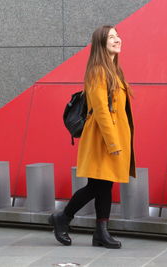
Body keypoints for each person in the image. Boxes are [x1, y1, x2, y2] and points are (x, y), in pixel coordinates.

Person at [49, 25, 135, 249]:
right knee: (97, 186)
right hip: (102, 139)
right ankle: (64, 217)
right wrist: (113, 143)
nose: (117, 40)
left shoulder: (114, 70)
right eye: (111, 37)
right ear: (101, 44)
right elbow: (101, 111)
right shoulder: (98, 71)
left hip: (110, 138)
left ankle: (100, 233)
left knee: (104, 185)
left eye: (118, 36)